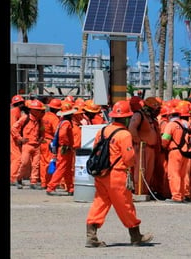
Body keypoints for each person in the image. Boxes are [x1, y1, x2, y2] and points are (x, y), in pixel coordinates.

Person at [85, 100, 153, 247]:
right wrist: (131, 165)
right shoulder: (124, 134)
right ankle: (136, 236)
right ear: (126, 117)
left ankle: (91, 236)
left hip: (101, 174)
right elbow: (128, 158)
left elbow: (96, 150)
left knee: (100, 202)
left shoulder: (102, 130)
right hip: (117, 174)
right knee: (126, 205)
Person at [128, 96, 162, 196]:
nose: (157, 111)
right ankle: (139, 191)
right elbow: (132, 128)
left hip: (150, 148)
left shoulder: (149, 117)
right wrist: (138, 142)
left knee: (148, 172)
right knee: (140, 170)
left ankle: (145, 191)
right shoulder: (139, 115)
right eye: (155, 109)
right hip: (142, 148)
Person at [11, 99, 46, 189]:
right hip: (27, 145)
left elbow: (42, 131)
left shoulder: (40, 120)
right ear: (33, 110)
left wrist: (41, 138)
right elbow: (14, 128)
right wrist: (20, 138)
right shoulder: (25, 118)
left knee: (36, 165)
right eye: (39, 110)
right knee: (24, 163)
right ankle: (18, 179)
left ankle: (33, 182)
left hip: (36, 145)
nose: (41, 112)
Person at [46, 102, 76, 196]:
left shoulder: (62, 122)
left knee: (67, 169)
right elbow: (62, 135)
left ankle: (70, 188)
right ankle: (51, 187)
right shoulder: (66, 122)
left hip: (65, 148)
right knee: (61, 168)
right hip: (65, 149)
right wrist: (65, 144)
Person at [39, 98, 61, 189]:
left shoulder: (43, 117)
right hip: (50, 142)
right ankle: (49, 182)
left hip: (43, 141)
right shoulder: (54, 119)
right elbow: (57, 132)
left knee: (43, 163)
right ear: (57, 109)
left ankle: (43, 182)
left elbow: (41, 129)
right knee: (50, 162)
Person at [10, 95, 26, 185]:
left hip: (14, 137)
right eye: (22, 103)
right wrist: (19, 138)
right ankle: (13, 178)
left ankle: (14, 177)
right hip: (13, 137)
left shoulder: (16, 111)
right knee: (17, 158)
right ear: (20, 104)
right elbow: (13, 127)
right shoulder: (15, 112)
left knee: (16, 157)